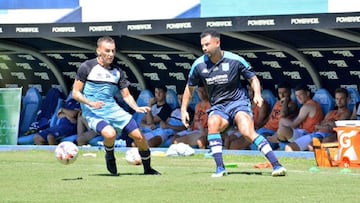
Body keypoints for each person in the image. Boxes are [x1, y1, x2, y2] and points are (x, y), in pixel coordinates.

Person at [180, 30, 287, 177]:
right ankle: (220, 169)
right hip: (218, 106)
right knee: (213, 124)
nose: (204, 48)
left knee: (246, 131)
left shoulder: (235, 60)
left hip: (238, 103)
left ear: (217, 43)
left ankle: (276, 165)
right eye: (202, 45)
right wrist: (183, 109)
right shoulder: (198, 65)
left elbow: (253, 79)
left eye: (207, 44)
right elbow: (189, 88)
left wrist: (257, 94)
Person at [72, 36, 160, 175]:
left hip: (113, 110)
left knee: (139, 137)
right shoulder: (87, 67)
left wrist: (136, 108)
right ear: (98, 51)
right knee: (110, 134)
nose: (111, 54)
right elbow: (75, 93)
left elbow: (126, 95)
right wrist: (90, 103)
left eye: (113, 51)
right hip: (93, 111)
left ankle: (148, 169)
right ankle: (109, 155)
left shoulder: (118, 72)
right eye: (107, 50)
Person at [285, 87, 351, 151]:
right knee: (289, 147)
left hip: (326, 136)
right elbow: (321, 125)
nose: (339, 101)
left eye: (341, 99)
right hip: (316, 133)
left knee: (306, 146)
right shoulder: (331, 112)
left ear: (347, 99)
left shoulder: (347, 113)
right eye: (337, 99)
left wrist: (324, 125)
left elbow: (333, 127)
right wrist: (326, 125)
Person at [223, 85, 271, 150]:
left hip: (254, 131)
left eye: (252, 90)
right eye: (249, 90)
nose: (250, 93)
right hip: (244, 128)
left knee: (233, 145)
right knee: (227, 138)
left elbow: (259, 124)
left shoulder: (262, 104)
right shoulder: (247, 102)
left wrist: (244, 127)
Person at [252, 82, 298, 149]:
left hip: (275, 132)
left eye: (284, 92)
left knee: (263, 143)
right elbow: (269, 117)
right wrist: (259, 126)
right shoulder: (277, 103)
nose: (282, 95)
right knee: (252, 141)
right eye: (279, 93)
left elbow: (283, 113)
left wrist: (286, 100)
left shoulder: (292, 105)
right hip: (266, 128)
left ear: (290, 92)